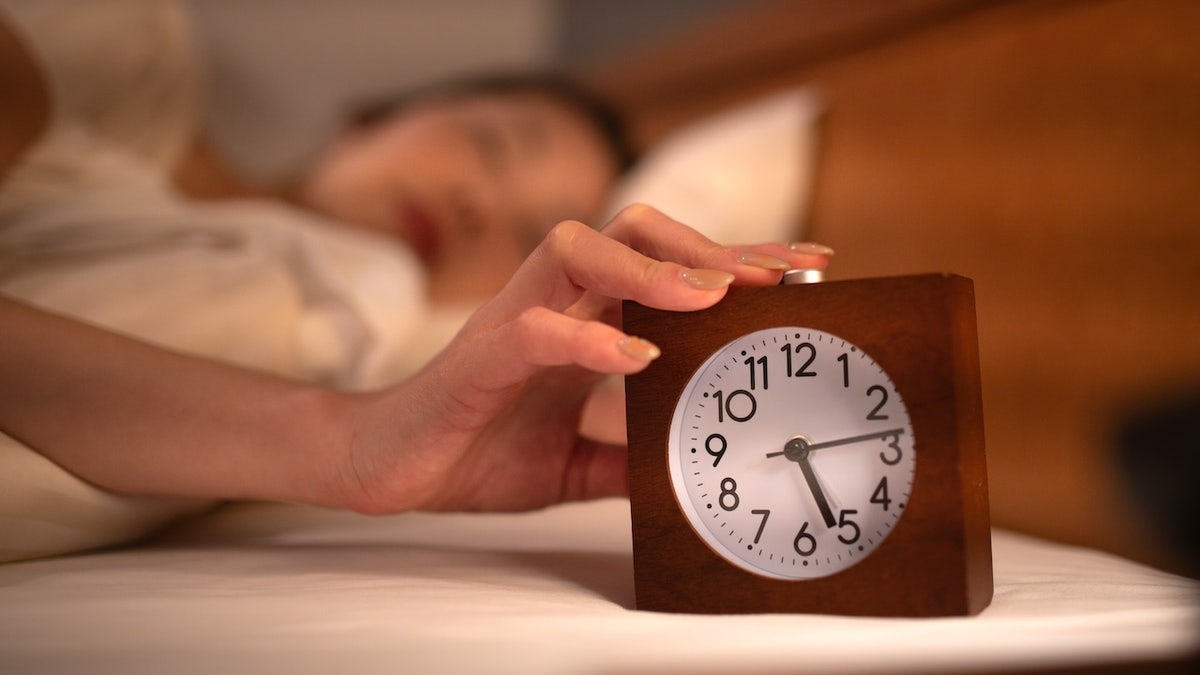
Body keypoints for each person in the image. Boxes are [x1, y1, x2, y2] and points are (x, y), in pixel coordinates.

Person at [0, 1, 834, 560]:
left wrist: (353, 445)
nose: (477, 202)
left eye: (524, 235)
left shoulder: (357, 329)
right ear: (372, 115)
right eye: (490, 144)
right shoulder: (116, 56)